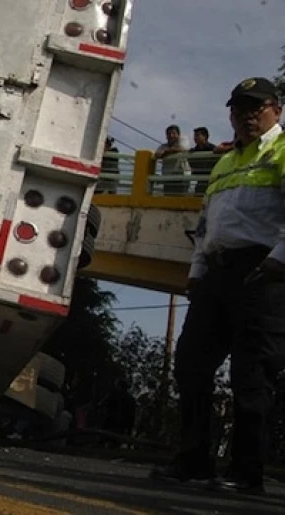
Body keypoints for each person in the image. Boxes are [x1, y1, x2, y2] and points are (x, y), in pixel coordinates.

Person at [149, 77, 285, 495]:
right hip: (217, 271)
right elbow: (208, 221)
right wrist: (197, 268)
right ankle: (192, 460)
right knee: (190, 363)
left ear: (275, 110)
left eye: (255, 107)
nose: (246, 116)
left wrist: (277, 261)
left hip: (262, 269)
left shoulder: (281, 150)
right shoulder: (224, 162)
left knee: (250, 374)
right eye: (238, 108)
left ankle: (246, 472)